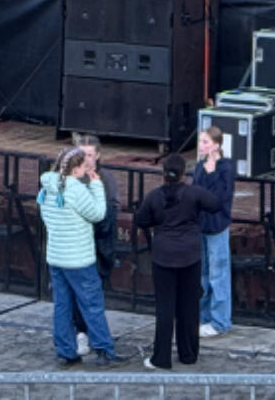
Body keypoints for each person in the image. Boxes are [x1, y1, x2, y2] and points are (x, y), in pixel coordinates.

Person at [134, 152, 219, 370]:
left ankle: (161, 357)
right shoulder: (194, 193)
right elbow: (215, 204)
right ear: (183, 174)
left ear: (163, 174)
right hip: (190, 256)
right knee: (189, 307)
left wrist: (157, 222)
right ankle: (188, 354)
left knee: (165, 308)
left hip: (163, 257)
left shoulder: (154, 197)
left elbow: (140, 219)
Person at [36, 147, 119, 367]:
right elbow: (98, 213)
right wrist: (96, 186)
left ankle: (66, 351)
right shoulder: (74, 188)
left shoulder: (47, 188)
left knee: (62, 305)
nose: (86, 169)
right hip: (79, 258)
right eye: (83, 166)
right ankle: (104, 350)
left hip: (56, 256)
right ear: (75, 169)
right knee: (91, 304)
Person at [68, 135, 120, 355]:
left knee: (94, 292)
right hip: (79, 245)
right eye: (83, 155)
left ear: (98, 155)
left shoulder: (106, 179)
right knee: (77, 293)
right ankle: (82, 332)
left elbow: (110, 211)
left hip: (100, 244)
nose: (87, 159)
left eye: (90, 154)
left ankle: (94, 336)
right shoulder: (73, 178)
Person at [194, 124, 235, 338]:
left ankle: (220, 321)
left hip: (217, 226)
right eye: (200, 141)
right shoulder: (199, 166)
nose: (201, 146)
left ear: (216, 145)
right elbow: (196, 192)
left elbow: (220, 198)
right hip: (201, 225)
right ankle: (204, 317)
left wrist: (211, 174)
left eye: (205, 142)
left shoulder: (226, 167)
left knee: (218, 274)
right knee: (203, 275)